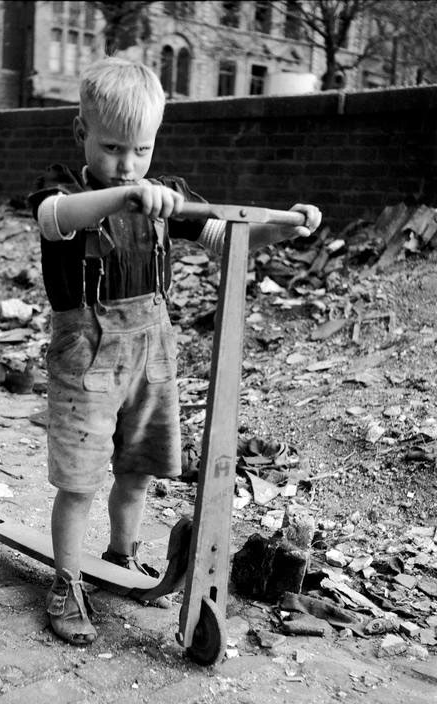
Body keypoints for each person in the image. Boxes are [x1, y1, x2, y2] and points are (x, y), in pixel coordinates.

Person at [28, 56, 321, 646]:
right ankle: (66, 580)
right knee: (80, 480)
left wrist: (280, 228)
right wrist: (121, 194)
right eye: (112, 149)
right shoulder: (65, 190)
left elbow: (221, 235)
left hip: (152, 355)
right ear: (82, 133)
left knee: (137, 470)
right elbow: (52, 218)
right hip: (87, 354)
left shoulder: (168, 196)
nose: (129, 164)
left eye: (141, 150)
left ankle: (121, 555)